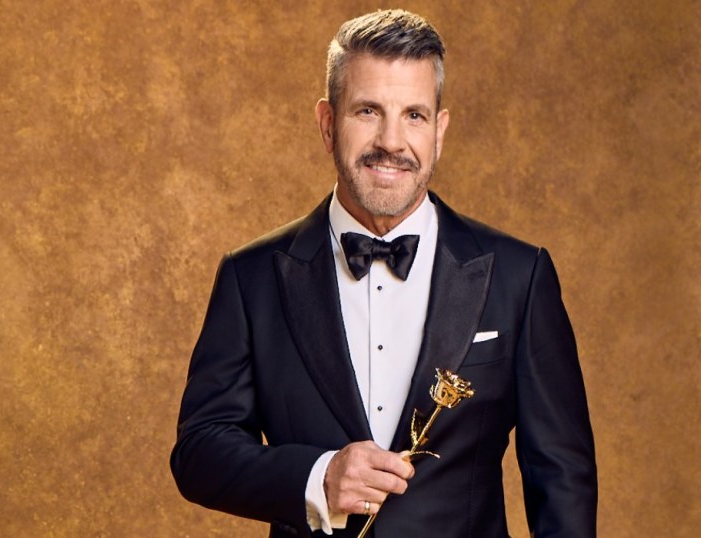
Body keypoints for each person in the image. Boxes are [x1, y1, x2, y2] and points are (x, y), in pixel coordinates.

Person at [171, 9, 597, 537]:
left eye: (414, 115)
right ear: (328, 124)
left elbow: (563, 479)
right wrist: (317, 478)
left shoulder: (520, 274)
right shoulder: (250, 276)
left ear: (439, 130)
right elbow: (199, 451)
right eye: (368, 111)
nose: (392, 142)